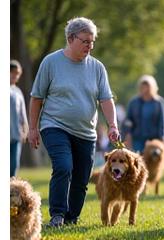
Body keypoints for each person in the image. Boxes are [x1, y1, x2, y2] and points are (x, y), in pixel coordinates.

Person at [27, 17, 120, 227]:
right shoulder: (51, 62)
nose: (89, 46)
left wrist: (113, 125)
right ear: (70, 38)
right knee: (63, 166)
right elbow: (37, 97)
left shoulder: (97, 67)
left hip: (86, 131)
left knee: (81, 178)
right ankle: (57, 214)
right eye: (85, 41)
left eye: (92, 41)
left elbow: (106, 99)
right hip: (54, 125)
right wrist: (33, 128)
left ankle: (71, 217)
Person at [123, 75, 164, 152]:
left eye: (147, 86)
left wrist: (163, 139)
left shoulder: (159, 102)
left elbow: (163, 122)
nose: (145, 89)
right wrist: (128, 134)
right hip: (137, 139)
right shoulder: (133, 102)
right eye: (143, 87)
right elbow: (128, 120)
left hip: (154, 139)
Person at [10, 60, 28, 177]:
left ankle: (10, 193)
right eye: (13, 72)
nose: (15, 76)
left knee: (13, 166)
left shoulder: (18, 92)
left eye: (18, 73)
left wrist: (25, 129)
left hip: (16, 135)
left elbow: (23, 113)